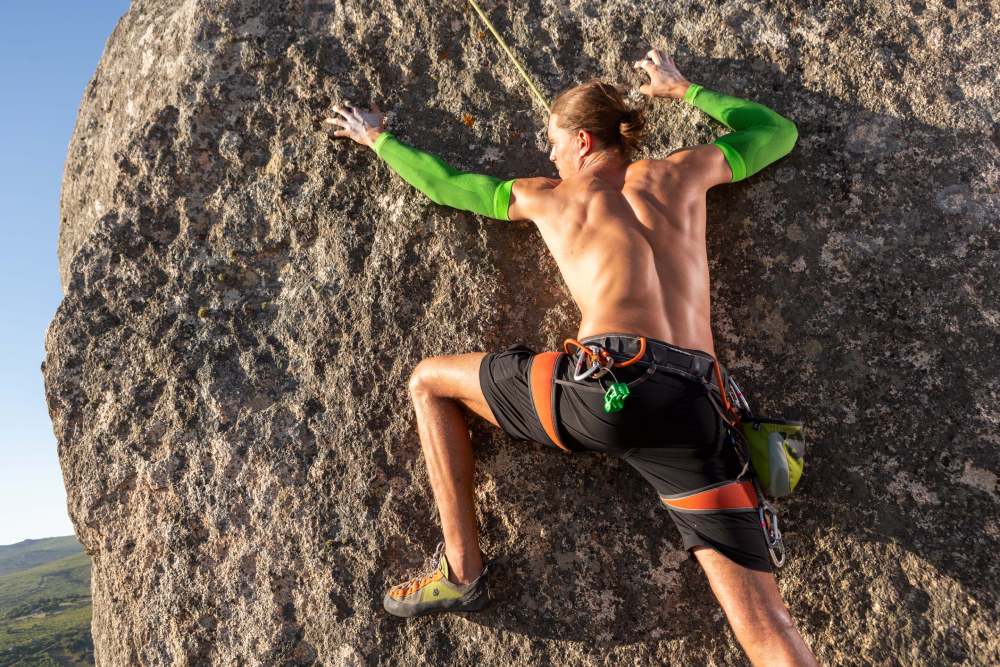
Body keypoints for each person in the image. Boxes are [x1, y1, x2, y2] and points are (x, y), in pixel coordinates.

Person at [329, 48, 817, 666]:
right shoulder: (684, 174)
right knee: (763, 621)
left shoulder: (553, 196)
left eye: (554, 141)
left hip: (604, 385)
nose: (550, 153)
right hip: (699, 406)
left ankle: (461, 571)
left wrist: (381, 141)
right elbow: (777, 132)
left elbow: (453, 186)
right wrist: (685, 89)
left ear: (582, 141)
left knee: (428, 381)